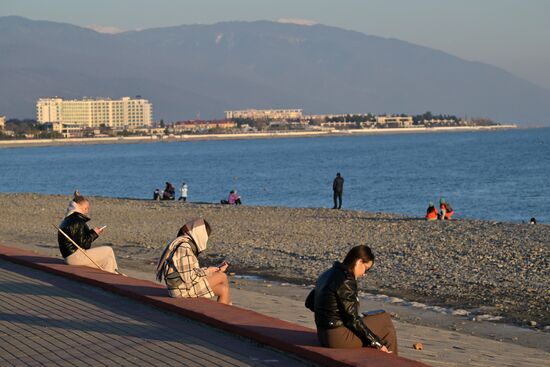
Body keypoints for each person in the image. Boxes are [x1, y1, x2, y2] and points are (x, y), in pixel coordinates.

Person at [305, 245, 397, 354]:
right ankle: (392, 360)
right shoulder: (346, 281)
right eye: (366, 269)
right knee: (385, 321)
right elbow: (352, 320)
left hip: (323, 334)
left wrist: (331, 315)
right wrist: (376, 343)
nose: (364, 274)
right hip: (337, 338)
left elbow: (310, 302)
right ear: (359, 262)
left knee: (375, 320)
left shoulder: (328, 273)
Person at [156, 218, 231, 304]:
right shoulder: (184, 247)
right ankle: (229, 309)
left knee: (223, 289)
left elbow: (189, 272)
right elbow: (190, 278)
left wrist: (214, 270)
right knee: (222, 276)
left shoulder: (183, 243)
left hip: (180, 287)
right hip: (181, 290)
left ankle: (224, 312)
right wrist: (209, 271)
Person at [58, 192, 119, 274]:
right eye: (85, 208)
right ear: (78, 207)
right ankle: (113, 274)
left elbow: (78, 238)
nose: (87, 211)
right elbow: (84, 244)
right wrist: (94, 233)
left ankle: (111, 275)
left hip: (69, 256)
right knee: (108, 250)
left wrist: (93, 232)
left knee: (107, 260)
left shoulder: (69, 218)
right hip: (75, 257)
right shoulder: (77, 221)